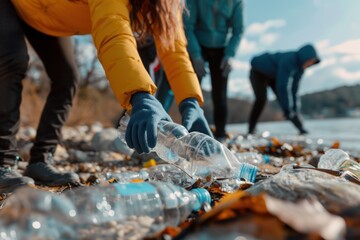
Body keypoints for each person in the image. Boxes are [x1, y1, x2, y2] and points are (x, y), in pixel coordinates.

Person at [0, 0, 212, 193]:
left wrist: (190, 100)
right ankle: (3, 162)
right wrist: (139, 95)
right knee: (13, 62)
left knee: (67, 78)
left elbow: (174, 49)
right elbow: (113, 32)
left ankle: (39, 161)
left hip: (51, 18)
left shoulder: (167, 3)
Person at [183, 0, 244, 141]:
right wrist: (196, 55)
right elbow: (188, 26)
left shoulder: (237, 2)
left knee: (220, 95)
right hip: (198, 44)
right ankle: (190, 133)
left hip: (222, 49)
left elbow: (238, 30)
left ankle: (221, 136)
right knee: (192, 91)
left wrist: (230, 55)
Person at [248, 44, 321, 135]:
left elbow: (294, 91)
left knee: (284, 100)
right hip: (258, 71)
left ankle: (301, 129)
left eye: (313, 62)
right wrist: (287, 110)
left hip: (274, 74)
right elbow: (283, 86)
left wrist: (295, 110)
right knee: (261, 99)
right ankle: (251, 129)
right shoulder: (289, 60)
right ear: (304, 57)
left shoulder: (300, 69)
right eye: (310, 61)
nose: (310, 64)